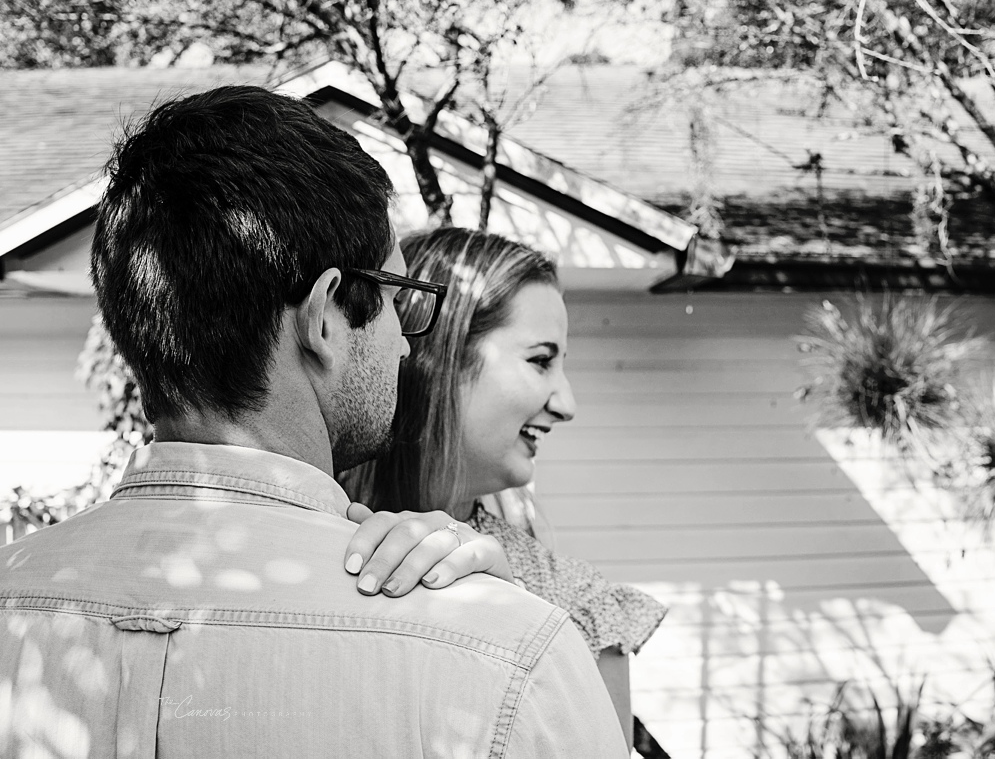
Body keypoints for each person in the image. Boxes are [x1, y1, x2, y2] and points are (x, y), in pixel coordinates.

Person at [0, 86, 627, 758]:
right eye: (396, 300)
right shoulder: (508, 655)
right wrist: (492, 625)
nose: (407, 344)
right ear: (326, 316)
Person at [341, 227, 668, 749]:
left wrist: (515, 629)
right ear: (437, 358)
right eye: (541, 360)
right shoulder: (305, 533)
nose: (567, 403)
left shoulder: (573, 603)